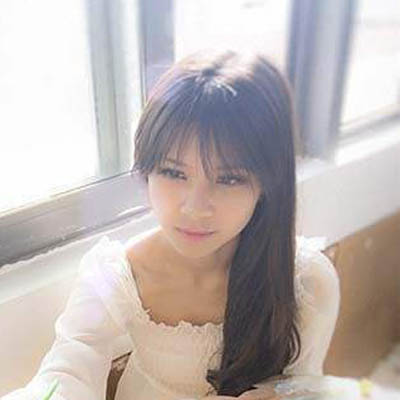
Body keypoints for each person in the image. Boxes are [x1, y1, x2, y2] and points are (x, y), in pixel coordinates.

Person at [2, 50, 340, 400]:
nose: (195, 207)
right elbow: (70, 365)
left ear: (267, 183)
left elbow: (304, 384)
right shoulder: (117, 275)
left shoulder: (307, 281)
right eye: (173, 172)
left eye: (229, 179)